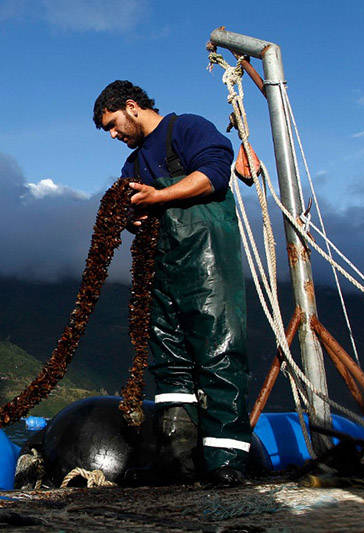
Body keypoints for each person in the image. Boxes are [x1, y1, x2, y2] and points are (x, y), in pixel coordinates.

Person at [92, 80, 250, 486]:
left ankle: (226, 464)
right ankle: (177, 461)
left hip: (207, 260)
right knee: (169, 363)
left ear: (131, 107)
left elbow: (213, 175)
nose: (113, 135)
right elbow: (134, 208)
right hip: (160, 270)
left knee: (218, 353)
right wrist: (132, 217)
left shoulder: (187, 129)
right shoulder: (134, 164)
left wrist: (158, 199)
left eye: (113, 125)